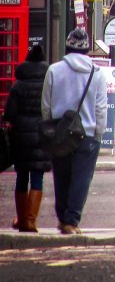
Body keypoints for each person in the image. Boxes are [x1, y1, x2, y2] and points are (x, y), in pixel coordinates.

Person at [41, 29, 107, 235]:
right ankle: (71, 220)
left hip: (60, 132)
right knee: (81, 178)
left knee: (61, 176)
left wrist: (51, 128)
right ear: (87, 49)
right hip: (86, 134)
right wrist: (99, 133)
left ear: (67, 47)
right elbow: (100, 109)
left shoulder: (53, 70)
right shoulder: (96, 73)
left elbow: (46, 105)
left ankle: (62, 219)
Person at [3, 45, 51, 232]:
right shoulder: (48, 84)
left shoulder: (18, 85)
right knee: (37, 177)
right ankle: (31, 220)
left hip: (21, 136)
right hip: (41, 135)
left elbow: (9, 114)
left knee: (21, 178)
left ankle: (22, 219)